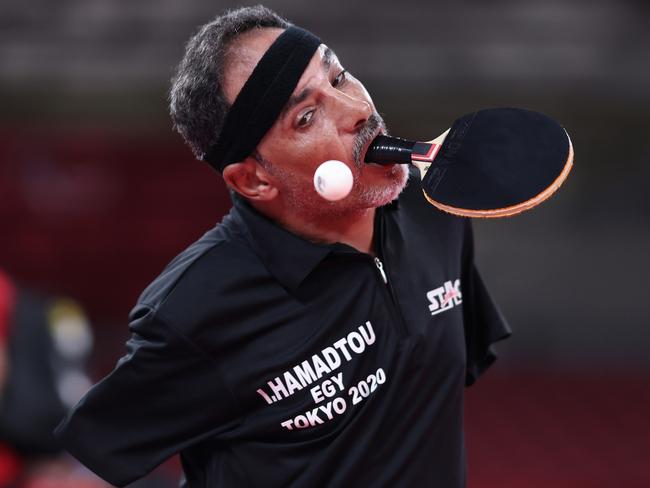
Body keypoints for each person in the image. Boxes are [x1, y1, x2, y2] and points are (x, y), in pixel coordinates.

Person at [56, 6, 511, 487]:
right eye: (307, 116)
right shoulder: (197, 309)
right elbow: (73, 472)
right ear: (253, 180)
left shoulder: (435, 210)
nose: (357, 111)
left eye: (339, 77)